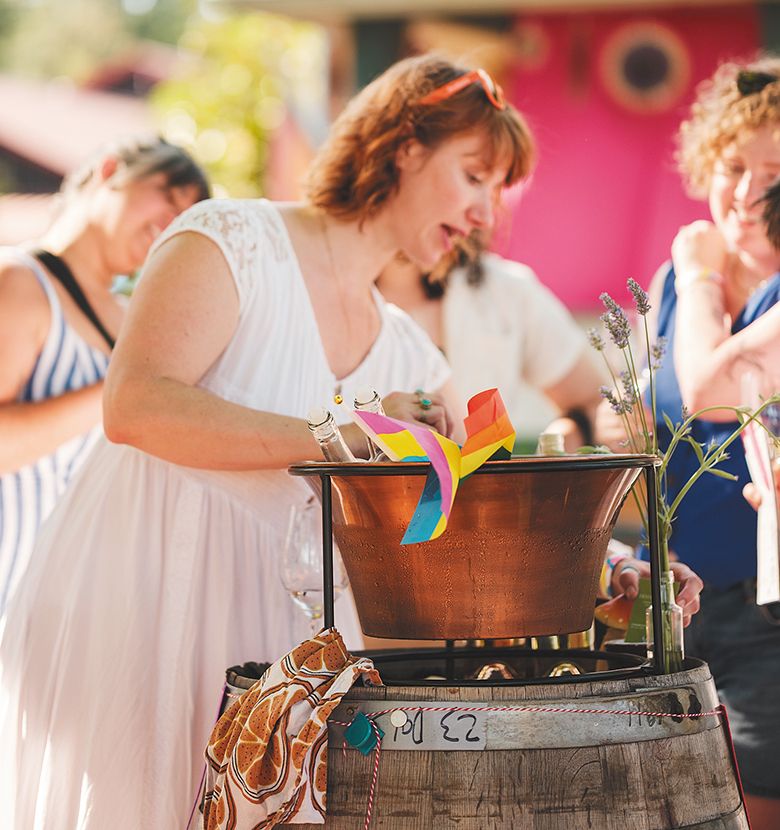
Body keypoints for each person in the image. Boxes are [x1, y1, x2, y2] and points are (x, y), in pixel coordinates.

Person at [0, 55, 536, 828]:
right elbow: (134, 405)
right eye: (475, 176)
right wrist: (331, 434)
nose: (488, 213)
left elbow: (486, 481)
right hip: (147, 617)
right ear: (405, 146)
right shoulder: (232, 239)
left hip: (279, 657)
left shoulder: (409, 350)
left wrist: (614, 564)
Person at [596, 55, 780, 830]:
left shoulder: (699, 271)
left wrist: (697, 271)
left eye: (772, 171)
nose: (743, 191)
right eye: (733, 165)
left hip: (767, 612)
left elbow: (708, 392)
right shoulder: (674, 286)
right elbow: (651, 407)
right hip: (675, 604)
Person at [0, 136, 209, 613]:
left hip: (79, 599)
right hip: (12, 585)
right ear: (111, 170)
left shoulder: (132, 315)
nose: (172, 221)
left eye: (186, 218)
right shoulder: (19, 281)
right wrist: (126, 392)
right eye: (170, 195)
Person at [377, 239, 606, 451]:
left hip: (488, 492)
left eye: (493, 194)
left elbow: (597, 402)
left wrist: (556, 446)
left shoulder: (505, 290)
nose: (485, 215)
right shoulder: (348, 300)